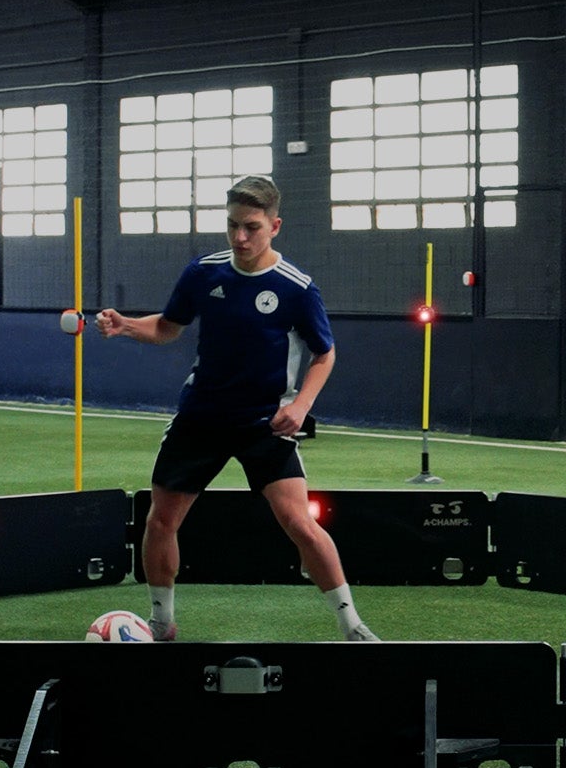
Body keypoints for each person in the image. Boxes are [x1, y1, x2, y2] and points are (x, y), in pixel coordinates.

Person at [95, 175, 377, 642]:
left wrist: (302, 405)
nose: (240, 238)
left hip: (264, 423)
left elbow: (324, 353)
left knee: (300, 524)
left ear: (275, 226)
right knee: (160, 521)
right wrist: (126, 325)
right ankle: (161, 625)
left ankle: (352, 626)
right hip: (201, 417)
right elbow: (168, 327)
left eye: (251, 227)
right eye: (232, 227)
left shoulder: (296, 288)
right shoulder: (204, 273)